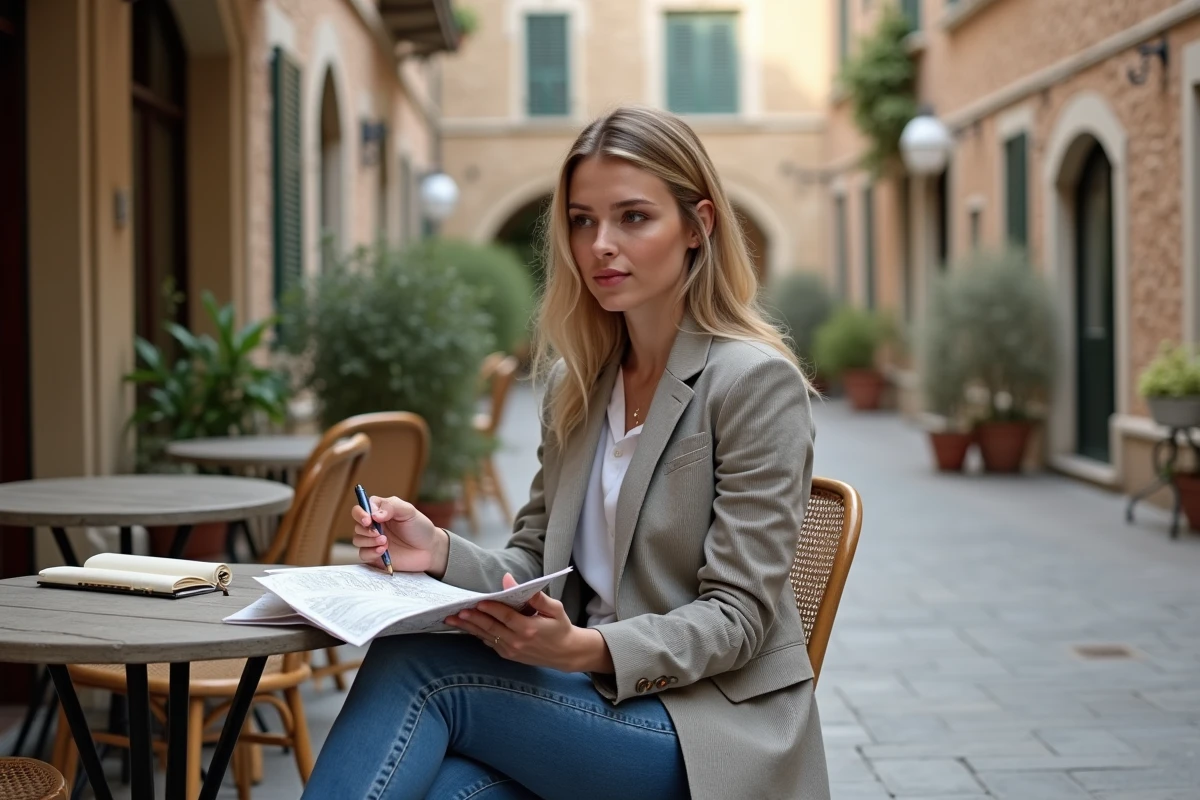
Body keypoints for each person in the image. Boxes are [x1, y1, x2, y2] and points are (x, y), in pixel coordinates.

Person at [302, 105, 830, 800]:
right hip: (585, 706)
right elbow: (535, 565)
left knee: (423, 666)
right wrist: (436, 549)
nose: (600, 245)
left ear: (698, 225)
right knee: (441, 788)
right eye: (583, 221)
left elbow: (737, 619)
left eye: (633, 218)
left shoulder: (752, 383)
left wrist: (587, 648)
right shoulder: (576, 384)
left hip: (703, 731)